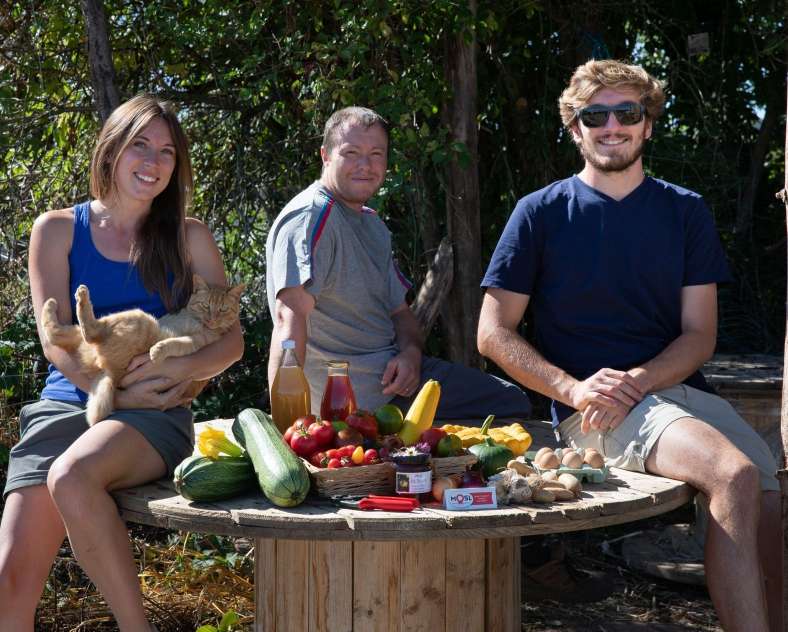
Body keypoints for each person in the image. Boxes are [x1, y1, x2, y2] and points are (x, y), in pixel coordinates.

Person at [477, 59, 781, 632]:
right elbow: (493, 333)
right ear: (575, 128)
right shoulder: (539, 213)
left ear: (648, 124)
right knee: (734, 475)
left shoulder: (684, 209)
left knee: (768, 504)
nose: (612, 126)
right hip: (592, 409)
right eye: (596, 115)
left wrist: (640, 380)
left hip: (677, 393)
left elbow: (700, 335)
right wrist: (572, 389)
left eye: (627, 112)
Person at [0, 94, 244, 631]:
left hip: (151, 412)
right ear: (111, 149)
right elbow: (55, 342)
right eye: (140, 145)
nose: (153, 162)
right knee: (8, 584)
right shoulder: (56, 230)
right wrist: (109, 392)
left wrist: (179, 371)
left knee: (72, 477)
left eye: (167, 152)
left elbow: (231, 345)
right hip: (69, 404)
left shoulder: (189, 237)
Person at [265, 106, 531, 419]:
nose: (365, 165)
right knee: (508, 406)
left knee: (511, 401)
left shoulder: (372, 224)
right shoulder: (310, 218)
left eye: (376, 154)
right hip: (347, 403)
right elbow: (288, 319)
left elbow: (400, 313)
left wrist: (411, 355)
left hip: (398, 384)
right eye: (351, 152)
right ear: (325, 155)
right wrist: (288, 425)